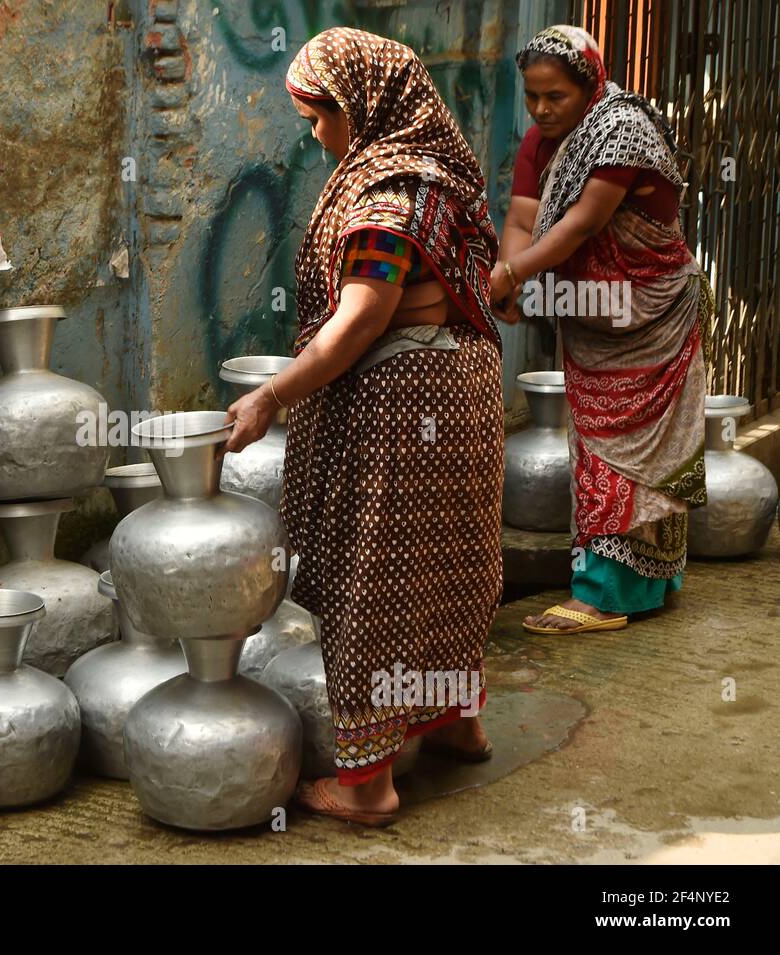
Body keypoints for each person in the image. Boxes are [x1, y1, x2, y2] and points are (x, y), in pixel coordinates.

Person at [224, 27, 504, 827]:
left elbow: (359, 321)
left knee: (371, 577)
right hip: (465, 391)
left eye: (321, 115)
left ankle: (366, 785)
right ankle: (458, 723)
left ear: (365, 104)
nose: (316, 133)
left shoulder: (385, 197)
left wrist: (272, 395)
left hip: (402, 399)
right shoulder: (441, 167)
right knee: (449, 561)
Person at [493, 25, 708, 635]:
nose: (539, 110)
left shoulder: (620, 131)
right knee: (598, 445)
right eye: (531, 96)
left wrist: (512, 273)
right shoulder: (543, 141)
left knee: (627, 454)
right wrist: (511, 278)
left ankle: (606, 595)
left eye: (554, 96)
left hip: (650, 314)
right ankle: (636, 587)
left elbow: (583, 224)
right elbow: (523, 217)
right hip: (592, 315)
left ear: (588, 85)